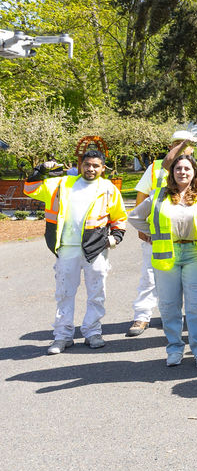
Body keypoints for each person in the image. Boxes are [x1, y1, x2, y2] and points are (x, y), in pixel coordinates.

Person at [24, 150, 127, 355]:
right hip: (66, 248)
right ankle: (62, 336)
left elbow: (119, 217)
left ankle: (92, 332)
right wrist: (40, 171)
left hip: (95, 249)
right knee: (64, 294)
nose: (91, 169)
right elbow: (30, 189)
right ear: (81, 165)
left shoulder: (108, 188)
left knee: (97, 293)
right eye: (87, 164)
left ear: (103, 168)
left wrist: (115, 238)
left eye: (96, 166)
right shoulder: (61, 184)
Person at [129, 155, 197, 368]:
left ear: (194, 172)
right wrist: (151, 233)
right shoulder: (158, 195)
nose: (182, 172)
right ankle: (174, 348)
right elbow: (134, 217)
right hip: (167, 254)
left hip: (195, 254)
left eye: (187, 169)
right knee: (169, 305)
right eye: (178, 168)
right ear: (172, 172)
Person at [125, 130, 197, 338]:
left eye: (186, 145)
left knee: (192, 280)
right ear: (170, 147)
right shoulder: (155, 168)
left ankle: (191, 319)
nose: (182, 148)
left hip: (188, 236)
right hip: (158, 236)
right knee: (149, 277)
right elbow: (142, 196)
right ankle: (142, 316)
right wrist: (143, 229)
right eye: (177, 144)